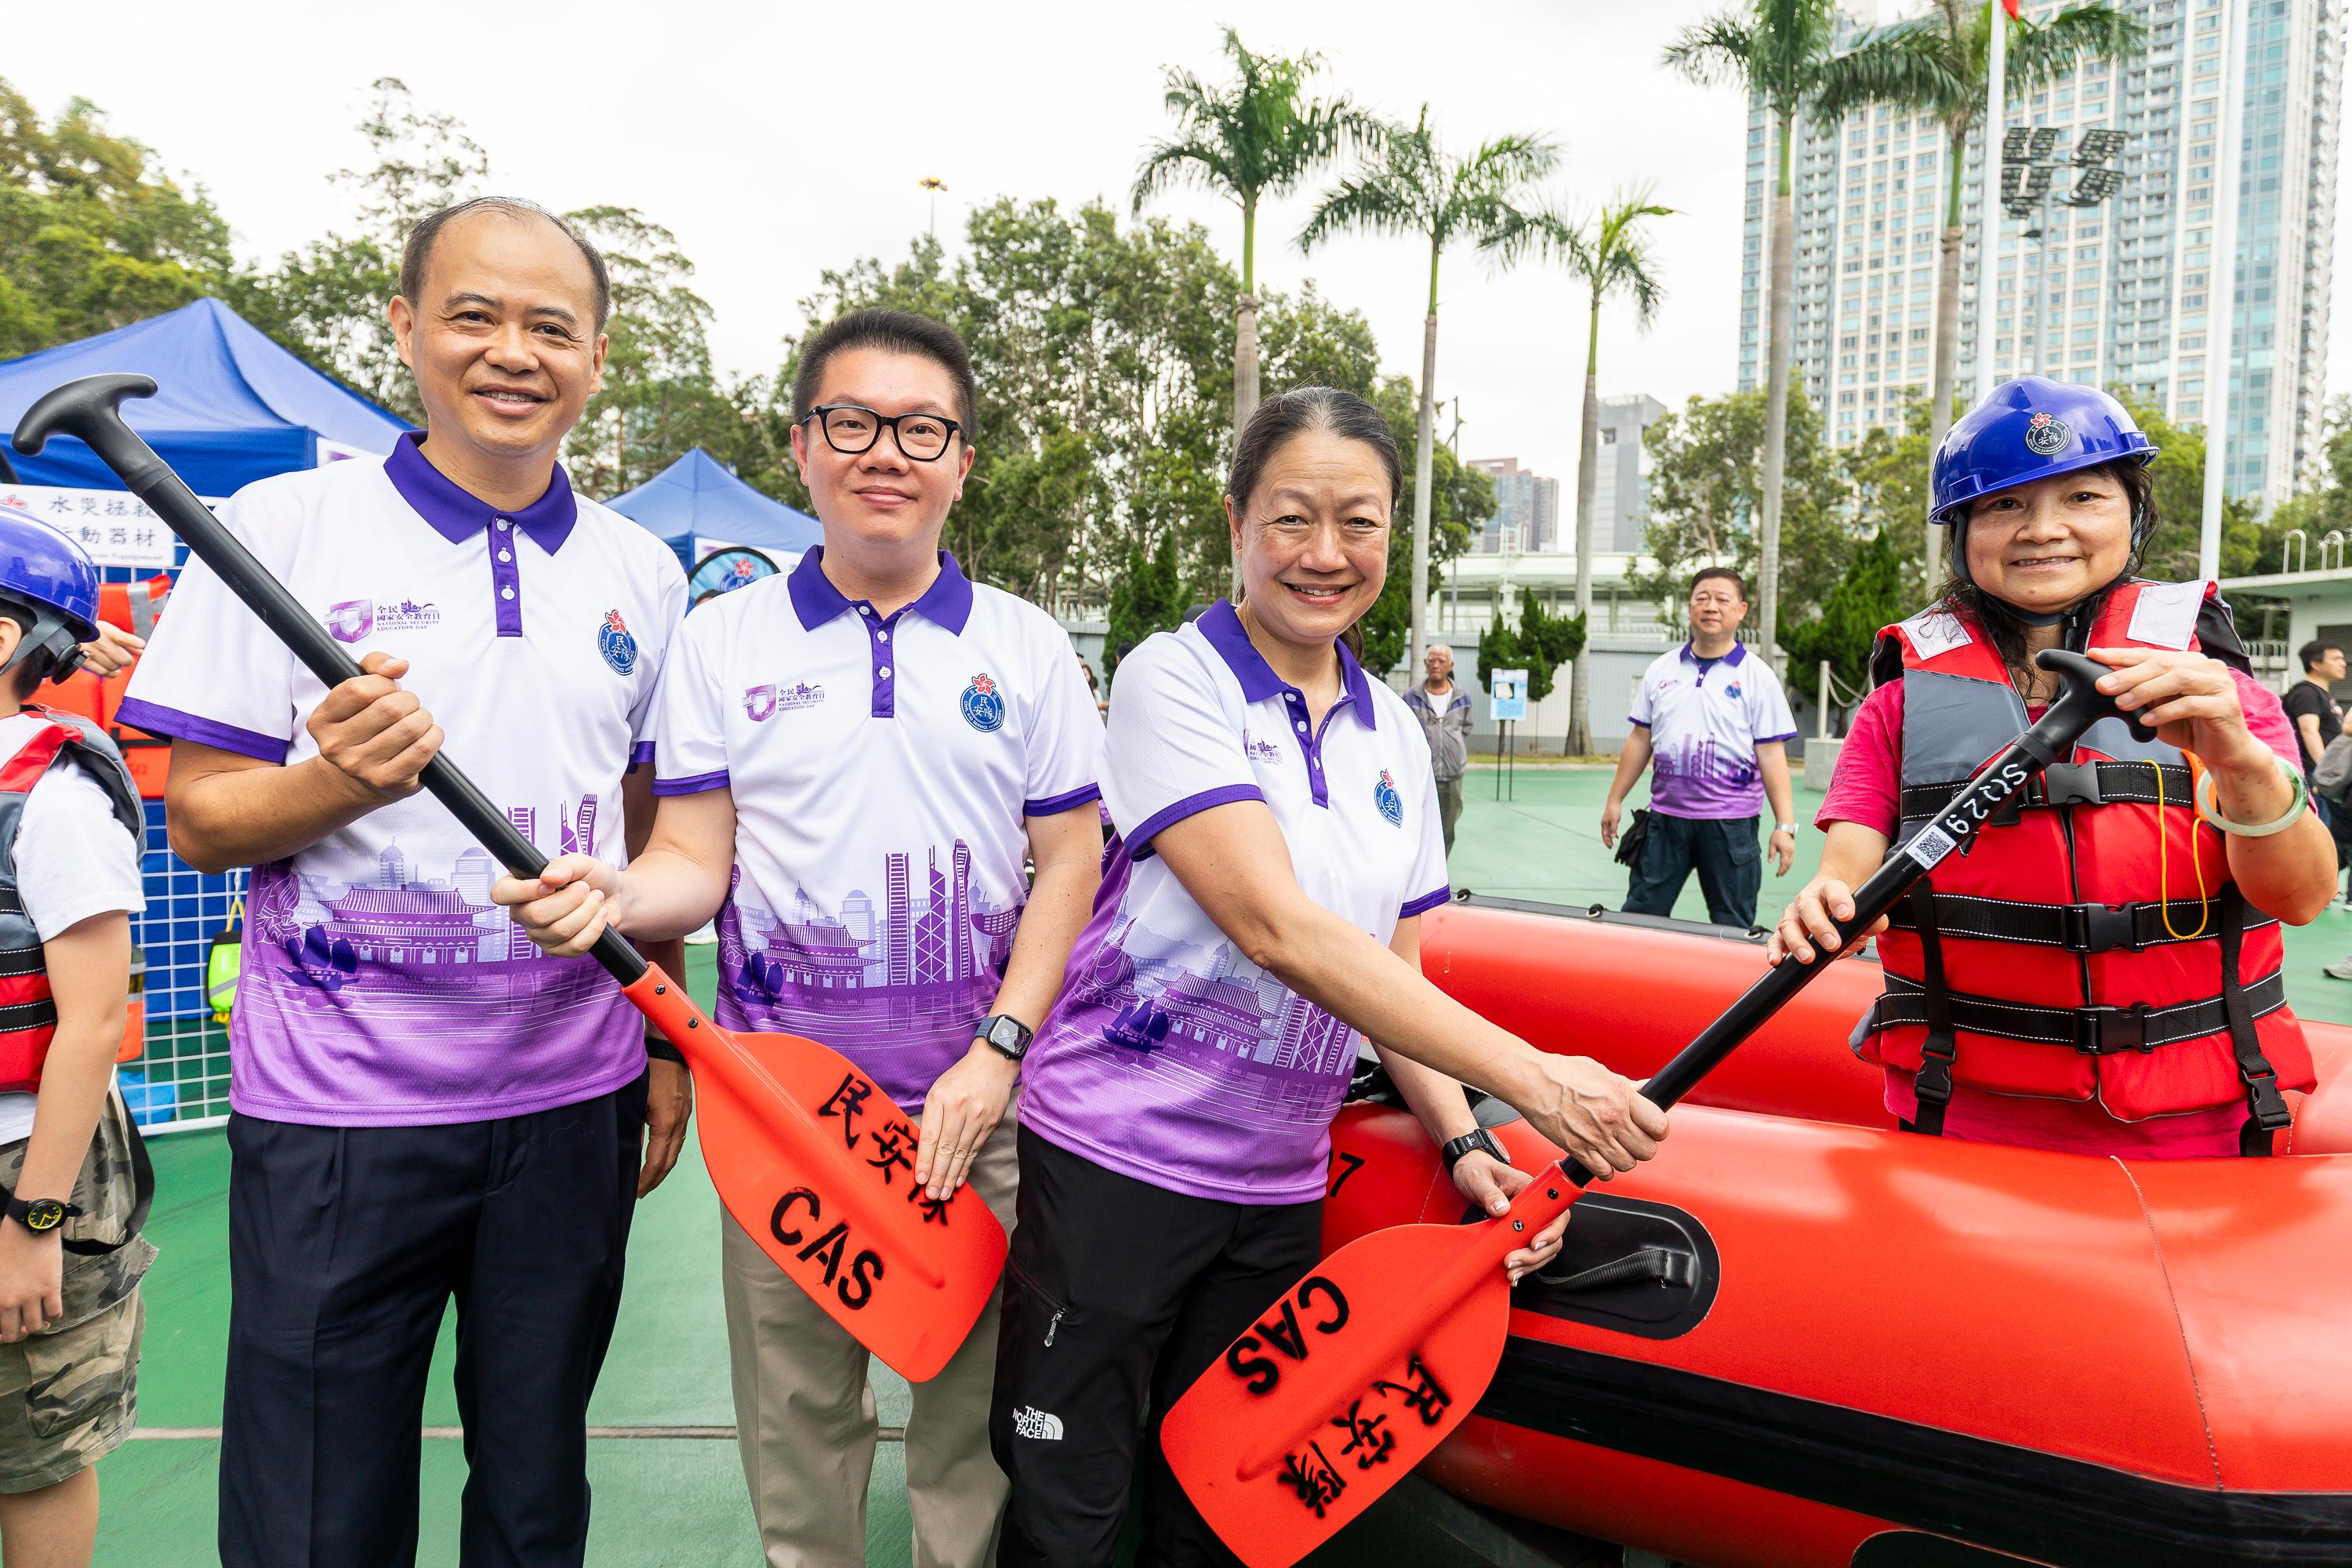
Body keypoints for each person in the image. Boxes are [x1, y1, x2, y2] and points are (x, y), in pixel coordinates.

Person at [988, 387, 1668, 1566]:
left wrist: (1467, 1140)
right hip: (1113, 1164)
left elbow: (1391, 970)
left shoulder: (1395, 730)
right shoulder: (1172, 678)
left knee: (1217, 1508)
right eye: (1291, 517)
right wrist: (1539, 1080)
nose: (1324, 552)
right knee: (1070, 1509)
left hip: (1274, 1193)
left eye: (1359, 521)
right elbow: (1277, 927)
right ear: (1237, 521)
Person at [116, 197, 690, 1567]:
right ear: (406, 326)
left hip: (573, 1104)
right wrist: (340, 782)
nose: (512, 353)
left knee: (537, 1493)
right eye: (473, 316)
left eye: (551, 327)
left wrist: (665, 1038)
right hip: (338, 1113)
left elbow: (643, 828)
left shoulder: (642, 571)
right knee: (317, 1509)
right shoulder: (283, 526)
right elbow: (201, 820)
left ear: (597, 357)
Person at [495, 309, 1106, 1568]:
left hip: (979, 1113)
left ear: (962, 462)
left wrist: (997, 1051)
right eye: (853, 422)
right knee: (799, 1428)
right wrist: (614, 896)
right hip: (785, 1116)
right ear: (803, 446)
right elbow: (692, 862)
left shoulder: (1027, 646)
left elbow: (1072, 864)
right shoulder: (722, 642)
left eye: (922, 429)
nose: (886, 452)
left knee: (967, 1430)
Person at [1771, 376, 2333, 1158]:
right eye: (2004, 505)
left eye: (2083, 497)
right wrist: (1830, 902)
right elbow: (1848, 876)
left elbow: (2301, 897)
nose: (2043, 530)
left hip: (2200, 1124)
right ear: (1964, 531)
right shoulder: (1897, 709)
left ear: (2133, 512)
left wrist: (2238, 757)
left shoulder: (2220, 694)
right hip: (1959, 1112)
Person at [0, 518, 154, 1568]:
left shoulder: (53, 801)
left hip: (24, 1163)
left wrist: (34, 1220)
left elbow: (93, 1021)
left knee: (35, 1446)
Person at [1600, 569, 1798, 928]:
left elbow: (1771, 754)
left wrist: (1785, 826)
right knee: (1639, 918)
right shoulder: (1661, 670)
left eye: (1722, 599)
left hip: (1731, 825)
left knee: (1732, 926)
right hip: (1665, 821)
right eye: (1702, 598)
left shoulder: (1758, 676)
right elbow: (1640, 739)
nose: (1711, 607)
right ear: (1690, 607)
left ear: (1741, 610)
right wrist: (1614, 800)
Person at [1402, 641, 1472, 853]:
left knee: (1447, 829)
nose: (1436, 665)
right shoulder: (1411, 696)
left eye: (1441, 661)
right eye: (1431, 660)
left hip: (1452, 775)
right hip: (1421, 775)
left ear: (1451, 665)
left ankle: (1441, 871)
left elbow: (1466, 728)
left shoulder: (1462, 697)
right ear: (1425, 663)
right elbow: (1404, 731)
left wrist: (1452, 747)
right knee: (1417, 827)